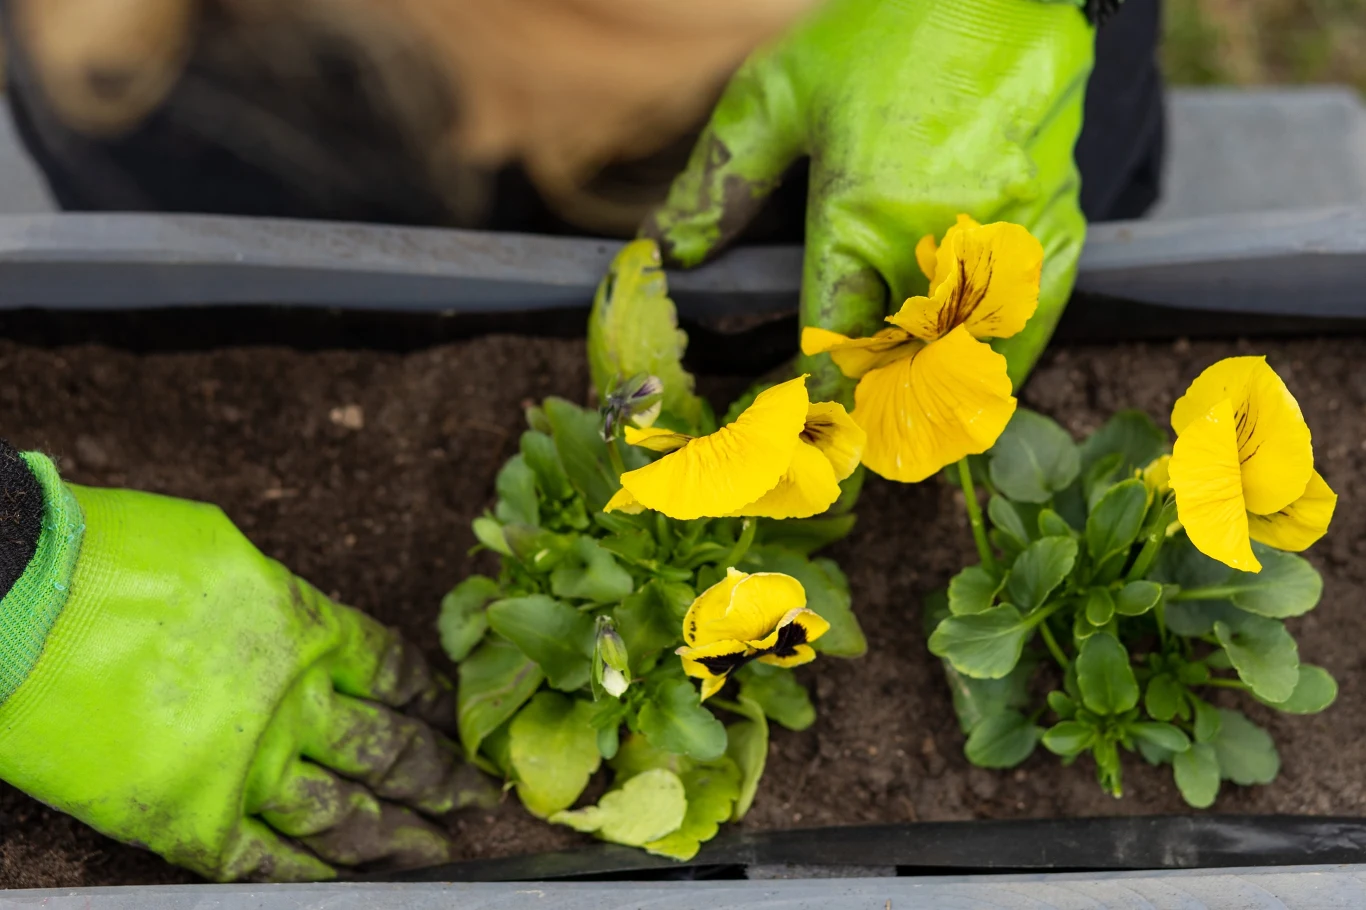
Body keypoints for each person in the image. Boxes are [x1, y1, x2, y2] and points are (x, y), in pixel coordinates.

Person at [0, 0, 1163, 882]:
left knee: (982, 178)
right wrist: (19, 588)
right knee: (270, 235)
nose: (499, 134)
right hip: (217, 77)